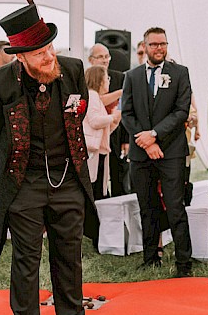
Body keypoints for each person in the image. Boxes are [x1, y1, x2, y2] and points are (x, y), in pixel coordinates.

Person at [0, 0, 114, 315]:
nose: (49, 57)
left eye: (50, 47)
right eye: (39, 53)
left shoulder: (71, 70)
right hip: (25, 184)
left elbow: (82, 109)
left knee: (69, 258)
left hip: (68, 179)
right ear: (20, 57)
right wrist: (16, 159)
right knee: (26, 265)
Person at [120, 27, 194, 276]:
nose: (159, 48)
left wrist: (155, 135)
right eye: (154, 44)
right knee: (146, 205)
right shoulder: (132, 76)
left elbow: (181, 111)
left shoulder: (180, 73)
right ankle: (151, 256)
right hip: (141, 153)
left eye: (163, 44)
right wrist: (145, 141)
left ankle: (184, 262)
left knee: (175, 206)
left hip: (170, 150)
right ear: (144, 47)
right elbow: (126, 113)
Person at [88, 44, 128, 197]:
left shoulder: (119, 77)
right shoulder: (86, 82)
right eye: (100, 57)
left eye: (107, 56)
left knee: (117, 172)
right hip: (95, 139)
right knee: (97, 178)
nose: (105, 60)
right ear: (91, 60)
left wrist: (126, 138)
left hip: (114, 134)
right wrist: (113, 116)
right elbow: (97, 102)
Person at [82, 65, 121, 201]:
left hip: (101, 151)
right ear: (100, 80)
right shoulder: (92, 96)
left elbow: (102, 130)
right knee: (96, 190)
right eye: (107, 78)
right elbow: (95, 121)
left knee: (99, 188)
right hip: (94, 152)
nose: (108, 81)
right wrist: (113, 117)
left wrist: (114, 121)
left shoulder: (95, 97)